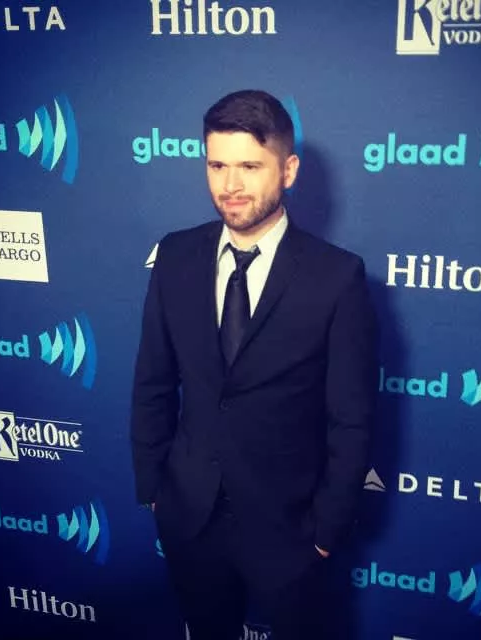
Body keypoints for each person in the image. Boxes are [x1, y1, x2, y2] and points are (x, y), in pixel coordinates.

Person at [130, 89, 377, 640]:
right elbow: (152, 382)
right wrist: (154, 490)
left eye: (249, 166)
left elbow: (352, 418)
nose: (230, 185)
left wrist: (326, 529)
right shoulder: (175, 256)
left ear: (288, 170)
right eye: (217, 165)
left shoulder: (337, 277)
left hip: (291, 528)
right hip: (189, 517)